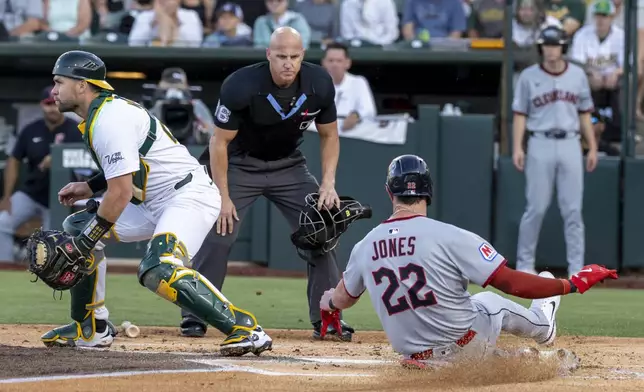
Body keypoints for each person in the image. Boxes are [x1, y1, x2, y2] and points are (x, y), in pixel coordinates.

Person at [40, 50, 272, 357]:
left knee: (157, 267)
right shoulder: (103, 113)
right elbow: (126, 166)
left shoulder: (109, 118)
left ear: (82, 85)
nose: (54, 90)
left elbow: (120, 194)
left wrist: (86, 243)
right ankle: (91, 328)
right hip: (153, 201)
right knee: (77, 226)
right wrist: (90, 185)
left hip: (187, 196)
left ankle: (244, 328)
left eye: (59, 82)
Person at [319, 154, 618, 368]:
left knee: (469, 324)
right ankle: (543, 326)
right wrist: (571, 284)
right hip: (466, 346)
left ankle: (524, 361)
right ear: (429, 192)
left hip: (416, 361)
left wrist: (327, 304)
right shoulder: (449, 236)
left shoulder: (365, 245)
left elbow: (343, 298)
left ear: (389, 192)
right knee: (489, 300)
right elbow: (511, 282)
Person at [181, 26, 354, 341]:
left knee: (321, 231)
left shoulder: (319, 83)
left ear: (303, 55)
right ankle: (197, 315)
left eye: (294, 56)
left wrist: (328, 183)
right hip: (237, 164)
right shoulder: (241, 84)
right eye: (281, 56)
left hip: (288, 165)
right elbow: (218, 144)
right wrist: (223, 196)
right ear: (268, 55)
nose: (288, 63)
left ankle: (328, 317)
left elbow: (330, 135)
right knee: (220, 236)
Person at [512, 26, 598, 278]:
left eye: (555, 45)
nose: (551, 50)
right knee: (535, 208)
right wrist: (518, 145)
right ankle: (525, 264)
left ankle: (576, 269)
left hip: (571, 142)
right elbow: (520, 115)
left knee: (572, 210)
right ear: (541, 48)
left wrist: (591, 146)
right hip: (540, 141)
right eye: (547, 45)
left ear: (563, 47)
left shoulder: (578, 75)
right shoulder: (528, 76)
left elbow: (585, 114)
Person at [0, 86, 81, 263]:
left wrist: (59, 158)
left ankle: (49, 273)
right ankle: (5, 268)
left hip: (61, 199)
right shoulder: (31, 130)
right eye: (47, 103)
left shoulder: (75, 130)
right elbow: (14, 161)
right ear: (42, 105)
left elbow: (88, 165)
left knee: (53, 240)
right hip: (32, 193)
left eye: (55, 103)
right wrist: (7, 196)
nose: (52, 107)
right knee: (2, 223)